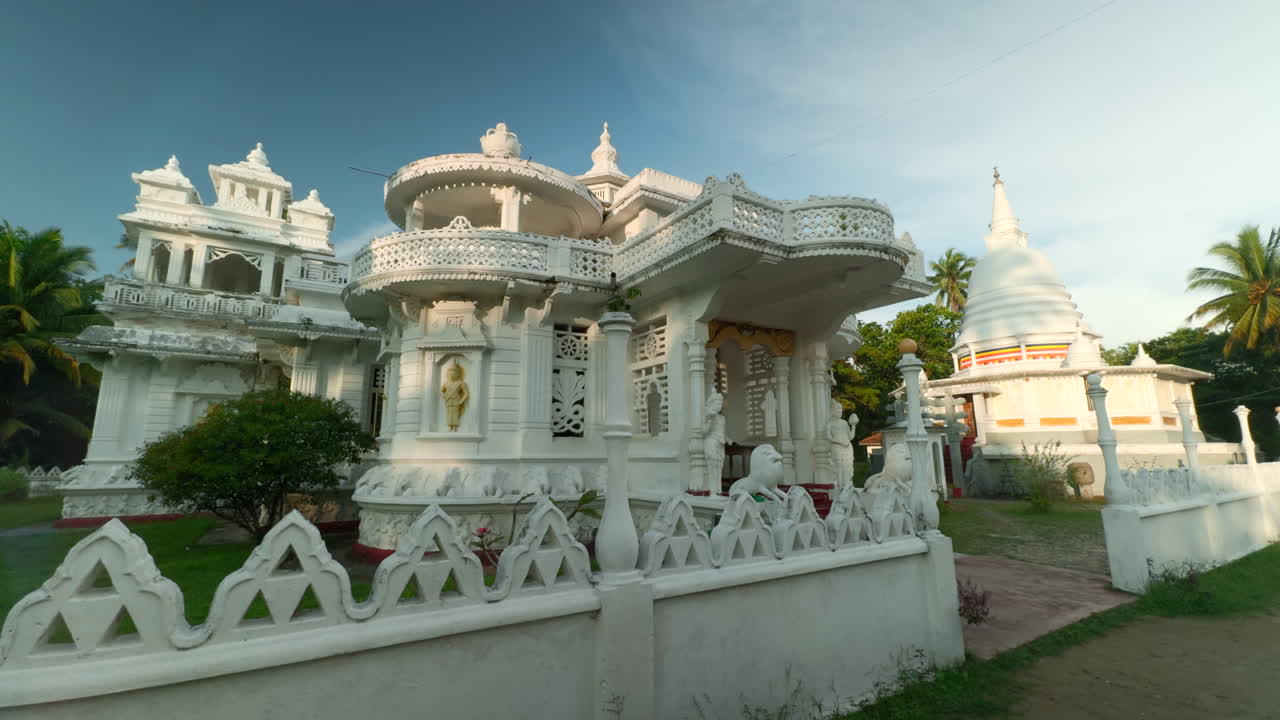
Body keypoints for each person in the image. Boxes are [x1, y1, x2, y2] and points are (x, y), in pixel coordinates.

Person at [703, 391, 728, 492]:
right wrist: (709, 421)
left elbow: (722, 431)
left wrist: (727, 439)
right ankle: (712, 491)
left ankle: (718, 490)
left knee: (719, 467)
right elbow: (703, 432)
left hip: (720, 444)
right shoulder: (708, 416)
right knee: (712, 467)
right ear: (712, 403)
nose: (719, 406)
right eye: (717, 403)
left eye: (721, 404)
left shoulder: (722, 418)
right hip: (711, 442)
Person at [827, 400, 855, 485]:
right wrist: (839, 442)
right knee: (838, 466)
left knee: (848, 466)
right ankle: (839, 485)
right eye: (837, 410)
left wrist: (853, 426)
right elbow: (829, 437)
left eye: (841, 410)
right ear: (832, 411)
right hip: (837, 447)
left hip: (847, 447)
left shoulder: (845, 423)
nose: (840, 411)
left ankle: (847, 484)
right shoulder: (830, 424)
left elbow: (850, 437)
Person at [441, 363, 470, 431]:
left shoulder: (461, 383)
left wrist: (461, 402)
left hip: (456, 400)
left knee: (455, 414)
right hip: (448, 400)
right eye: (450, 373)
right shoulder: (446, 383)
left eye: (454, 373)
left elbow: (466, 393)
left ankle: (454, 427)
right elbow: (441, 391)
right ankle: (450, 426)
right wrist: (444, 396)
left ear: (458, 374)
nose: (452, 375)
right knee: (449, 414)